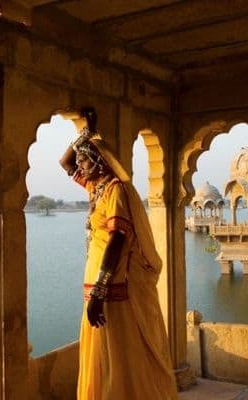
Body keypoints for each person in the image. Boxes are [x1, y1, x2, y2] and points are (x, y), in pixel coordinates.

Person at [60, 107, 178, 400]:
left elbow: (117, 238)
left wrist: (100, 291)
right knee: (102, 355)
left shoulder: (114, 191)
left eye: (86, 161)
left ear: (100, 162)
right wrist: (85, 133)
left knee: (119, 356)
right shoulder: (94, 188)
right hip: (96, 286)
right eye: (82, 162)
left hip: (112, 286)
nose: (81, 166)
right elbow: (64, 162)